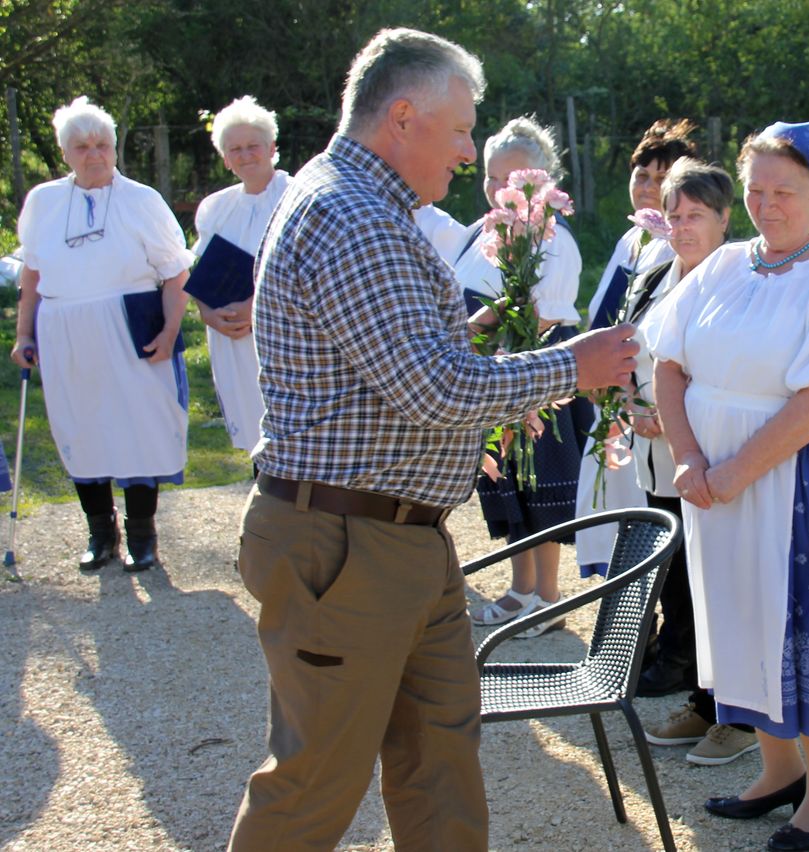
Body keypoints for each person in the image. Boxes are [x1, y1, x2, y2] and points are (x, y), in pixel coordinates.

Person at [228, 28, 638, 851]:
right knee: (314, 786)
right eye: (459, 131)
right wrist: (572, 364)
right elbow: (434, 391)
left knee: (439, 763)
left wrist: (480, 350)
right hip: (348, 545)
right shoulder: (353, 216)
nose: (465, 154)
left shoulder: (365, 205)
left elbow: (409, 370)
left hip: (394, 538)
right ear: (403, 116)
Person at [647, 119, 809, 851]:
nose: (767, 204)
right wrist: (691, 459)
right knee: (734, 620)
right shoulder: (726, 265)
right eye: (756, 189)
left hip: (796, 481)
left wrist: (731, 470)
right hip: (715, 485)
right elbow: (669, 363)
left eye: (784, 191)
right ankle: (778, 770)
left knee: (795, 630)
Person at [11, 96, 192, 573]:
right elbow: (31, 275)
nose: (94, 154)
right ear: (65, 153)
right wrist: (23, 333)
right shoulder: (44, 202)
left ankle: (141, 535)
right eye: (82, 146)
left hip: (131, 326)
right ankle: (100, 532)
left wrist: (172, 331)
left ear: (115, 148)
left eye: (102, 144)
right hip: (64, 332)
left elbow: (175, 275)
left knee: (140, 429)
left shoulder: (142, 200)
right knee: (81, 429)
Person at [626, 157, 756, 767]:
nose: (681, 227)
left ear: (725, 218)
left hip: (707, 458)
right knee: (678, 586)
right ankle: (704, 702)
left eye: (695, 216)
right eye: (674, 215)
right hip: (657, 459)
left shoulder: (739, 284)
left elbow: (734, 376)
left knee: (720, 587)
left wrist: (677, 420)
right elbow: (636, 348)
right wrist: (630, 401)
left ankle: (738, 717)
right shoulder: (658, 276)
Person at [456, 116, 592, 636]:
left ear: (542, 179)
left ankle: (548, 598)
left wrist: (484, 335)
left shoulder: (555, 237)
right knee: (507, 481)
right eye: (492, 177)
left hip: (534, 368)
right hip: (493, 369)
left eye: (512, 178)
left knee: (538, 484)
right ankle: (522, 589)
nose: (499, 188)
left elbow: (544, 317)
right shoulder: (479, 231)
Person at [573, 118, 698, 579]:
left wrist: (630, 391)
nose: (649, 187)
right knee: (611, 515)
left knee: (645, 523)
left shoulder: (678, 249)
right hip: (611, 402)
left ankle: (651, 639)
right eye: (642, 175)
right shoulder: (632, 240)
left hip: (643, 405)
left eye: (662, 178)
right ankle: (630, 636)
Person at [192, 95, 290, 457]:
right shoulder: (215, 207)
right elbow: (202, 270)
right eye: (235, 149)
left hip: (282, 333)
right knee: (252, 433)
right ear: (224, 157)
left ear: (271, 147)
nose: (246, 155)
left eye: (253, 146)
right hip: (231, 336)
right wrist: (207, 312)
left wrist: (257, 307)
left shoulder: (295, 195)